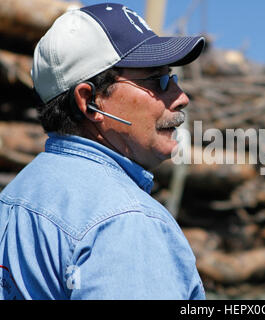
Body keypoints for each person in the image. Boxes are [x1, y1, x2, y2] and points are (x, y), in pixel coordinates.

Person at [0, 3, 205, 299]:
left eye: (172, 78)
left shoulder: (17, 196)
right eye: (158, 81)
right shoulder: (126, 222)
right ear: (90, 100)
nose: (181, 97)